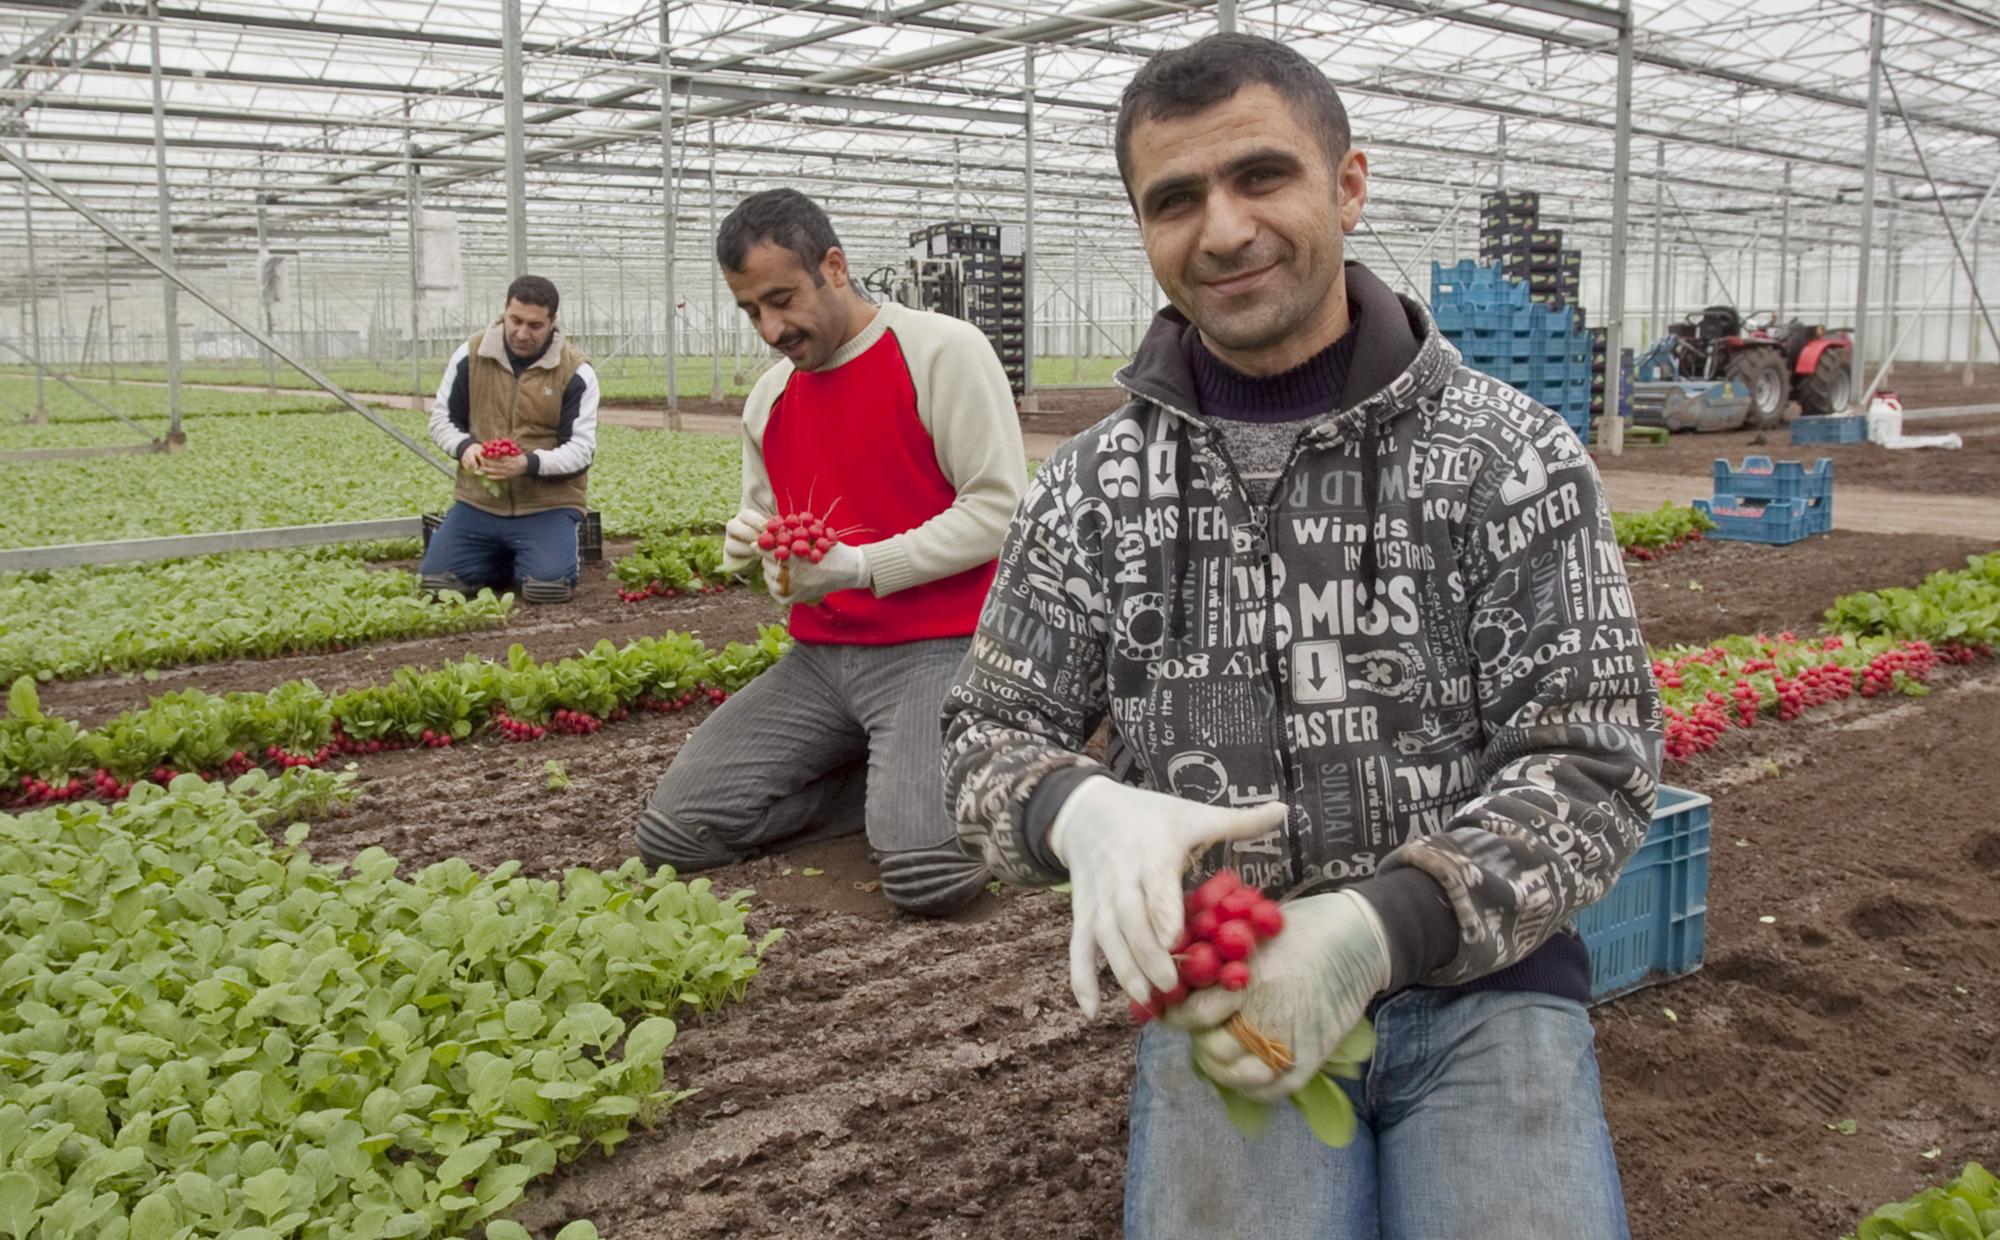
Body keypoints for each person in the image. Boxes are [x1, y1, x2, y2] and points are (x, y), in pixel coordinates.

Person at [942, 33, 1662, 1238]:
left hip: (1484, 990)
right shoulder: (1092, 487)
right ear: (1144, 229)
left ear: (1348, 184)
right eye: (1173, 200)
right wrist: (1073, 806)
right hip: (1225, 992)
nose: (1221, 230)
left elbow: (1591, 758)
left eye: (1260, 176)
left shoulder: (1507, 457)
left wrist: (1379, 923)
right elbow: (982, 733)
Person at [634, 188, 1027, 917]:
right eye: (752, 310)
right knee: (674, 834)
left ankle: (964, 767)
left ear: (835, 267)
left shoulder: (941, 351)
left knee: (927, 878)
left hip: (936, 647)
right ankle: (881, 777)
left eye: (782, 299)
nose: (771, 328)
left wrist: (863, 567)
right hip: (820, 661)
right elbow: (777, 532)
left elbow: (1000, 509)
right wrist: (754, 547)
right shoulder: (771, 398)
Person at [420, 275, 599, 604]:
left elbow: (581, 450)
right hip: (479, 504)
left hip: (547, 506)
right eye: (515, 320)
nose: (522, 333)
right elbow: (442, 419)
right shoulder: (471, 355)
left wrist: (527, 464)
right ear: (504, 311)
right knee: (436, 584)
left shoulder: (575, 371)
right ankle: (506, 556)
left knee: (548, 588)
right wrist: (465, 447)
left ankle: (534, 553)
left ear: (552, 322)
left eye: (535, 325)